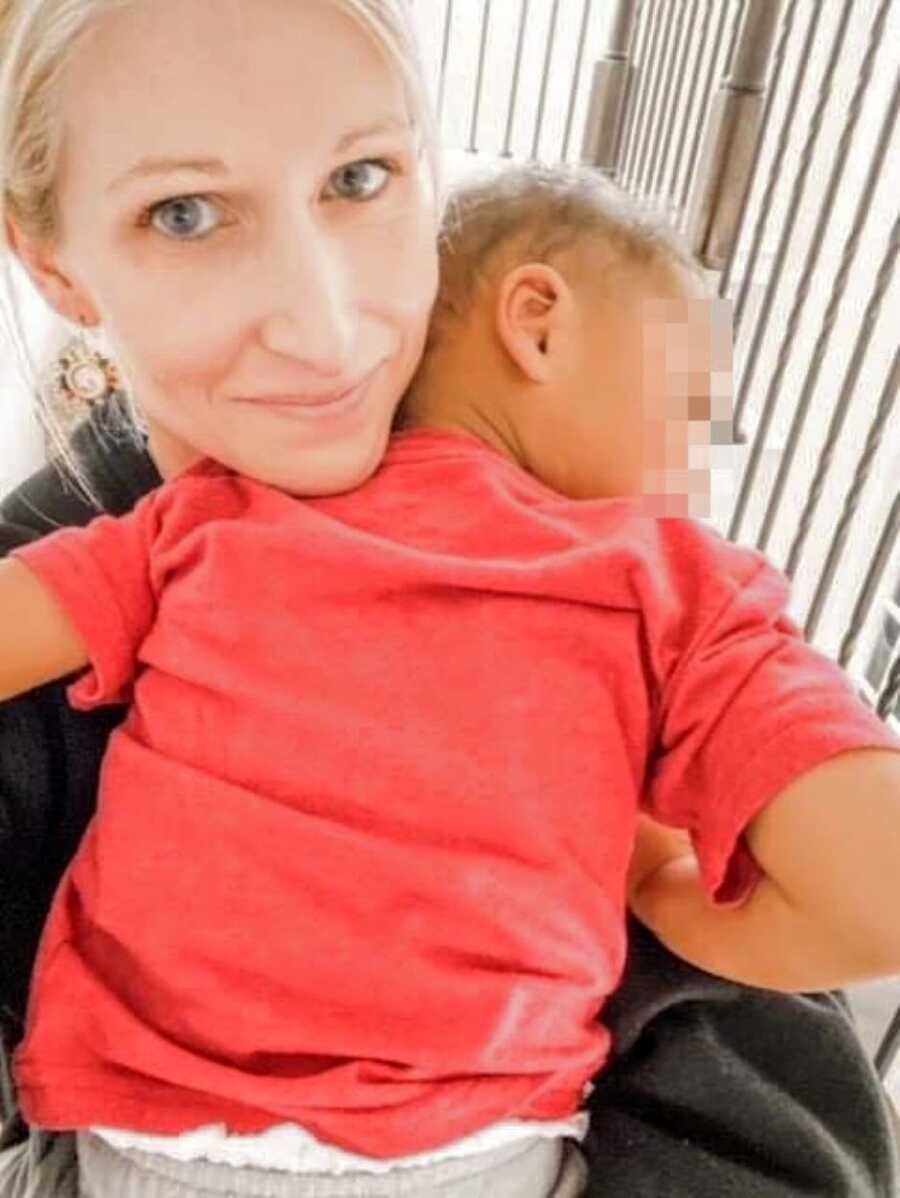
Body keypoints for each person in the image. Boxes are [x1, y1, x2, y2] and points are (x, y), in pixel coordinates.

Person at [0, 2, 897, 1196]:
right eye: (186, 212)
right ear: (55, 262)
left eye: (361, 176)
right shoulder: (654, 588)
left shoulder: (191, 534)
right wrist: (672, 894)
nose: (321, 329)